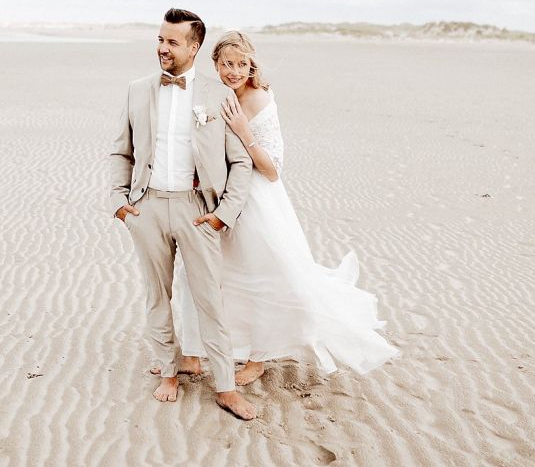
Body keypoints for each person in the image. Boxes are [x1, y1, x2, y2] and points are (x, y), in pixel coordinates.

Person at [166, 31, 398, 385]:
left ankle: (258, 357)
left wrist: (244, 131)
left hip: (257, 201)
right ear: (215, 64)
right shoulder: (212, 95)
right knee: (196, 273)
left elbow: (273, 170)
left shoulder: (260, 100)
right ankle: (194, 353)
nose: (234, 71)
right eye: (227, 64)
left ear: (251, 64)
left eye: (242, 64)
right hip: (220, 198)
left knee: (262, 277)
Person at [107, 9, 257, 420]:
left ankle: (225, 386)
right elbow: (122, 150)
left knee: (211, 301)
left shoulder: (218, 94)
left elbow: (240, 163)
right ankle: (169, 372)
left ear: (194, 46)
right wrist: (120, 203)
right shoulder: (137, 90)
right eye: (160, 39)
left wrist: (223, 214)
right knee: (158, 295)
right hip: (148, 206)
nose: (162, 48)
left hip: (197, 211)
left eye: (172, 42)